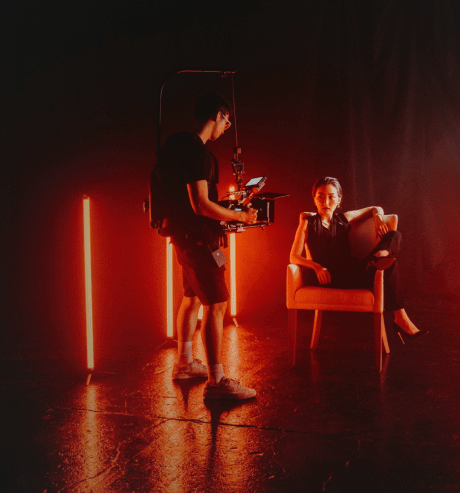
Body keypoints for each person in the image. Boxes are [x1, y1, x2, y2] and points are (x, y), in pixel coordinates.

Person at [155, 92, 258, 400]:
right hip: (200, 240)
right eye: (227, 121)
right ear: (216, 116)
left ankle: (185, 363)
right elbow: (200, 205)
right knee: (217, 304)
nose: (227, 128)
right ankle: (217, 381)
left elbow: (186, 198)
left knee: (191, 297)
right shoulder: (199, 154)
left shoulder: (174, 145)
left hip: (183, 237)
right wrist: (240, 215)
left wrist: (222, 209)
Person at [289, 176, 427, 342]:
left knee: (394, 235)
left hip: (352, 271)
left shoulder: (343, 219)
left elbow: (375, 208)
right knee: (390, 264)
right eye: (321, 196)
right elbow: (294, 256)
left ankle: (380, 256)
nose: (326, 201)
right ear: (314, 198)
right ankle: (400, 318)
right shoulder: (307, 222)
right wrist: (317, 267)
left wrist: (377, 217)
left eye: (331, 197)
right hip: (327, 276)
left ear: (339, 199)